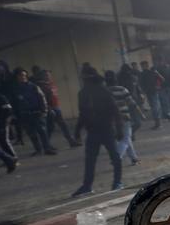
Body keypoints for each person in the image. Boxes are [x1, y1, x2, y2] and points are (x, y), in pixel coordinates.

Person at [72, 64, 123, 195]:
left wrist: (119, 128)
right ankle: (87, 186)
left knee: (115, 157)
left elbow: (115, 110)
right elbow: (82, 114)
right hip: (93, 131)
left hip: (106, 129)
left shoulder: (103, 91)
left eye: (85, 78)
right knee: (90, 160)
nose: (84, 81)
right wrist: (77, 130)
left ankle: (117, 182)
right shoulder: (82, 93)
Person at [11, 68, 57, 156]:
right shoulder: (15, 89)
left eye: (24, 75)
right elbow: (14, 102)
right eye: (21, 75)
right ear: (17, 77)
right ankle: (38, 149)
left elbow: (41, 97)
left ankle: (47, 148)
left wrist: (44, 110)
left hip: (36, 112)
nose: (23, 77)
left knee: (42, 131)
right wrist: (16, 114)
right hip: (25, 114)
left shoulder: (33, 86)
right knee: (31, 133)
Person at [34, 68, 81, 147]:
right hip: (50, 109)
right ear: (42, 76)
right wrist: (48, 108)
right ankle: (46, 144)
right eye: (47, 75)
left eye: (49, 75)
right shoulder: (41, 86)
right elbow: (42, 99)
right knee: (50, 127)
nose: (49, 76)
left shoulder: (51, 84)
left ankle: (71, 141)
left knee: (63, 125)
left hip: (56, 107)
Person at [104, 70, 142, 166]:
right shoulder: (122, 89)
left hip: (110, 119)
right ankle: (117, 157)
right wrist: (141, 113)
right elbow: (132, 103)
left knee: (126, 138)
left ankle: (134, 158)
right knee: (125, 139)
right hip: (124, 117)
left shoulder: (104, 91)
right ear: (115, 79)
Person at [137, 61, 162, 129]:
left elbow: (140, 84)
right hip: (153, 91)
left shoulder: (142, 74)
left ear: (145, 66)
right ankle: (158, 122)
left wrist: (143, 91)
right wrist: (158, 85)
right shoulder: (153, 72)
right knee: (155, 106)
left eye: (142, 66)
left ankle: (157, 123)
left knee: (154, 107)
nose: (142, 67)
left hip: (149, 92)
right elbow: (161, 79)